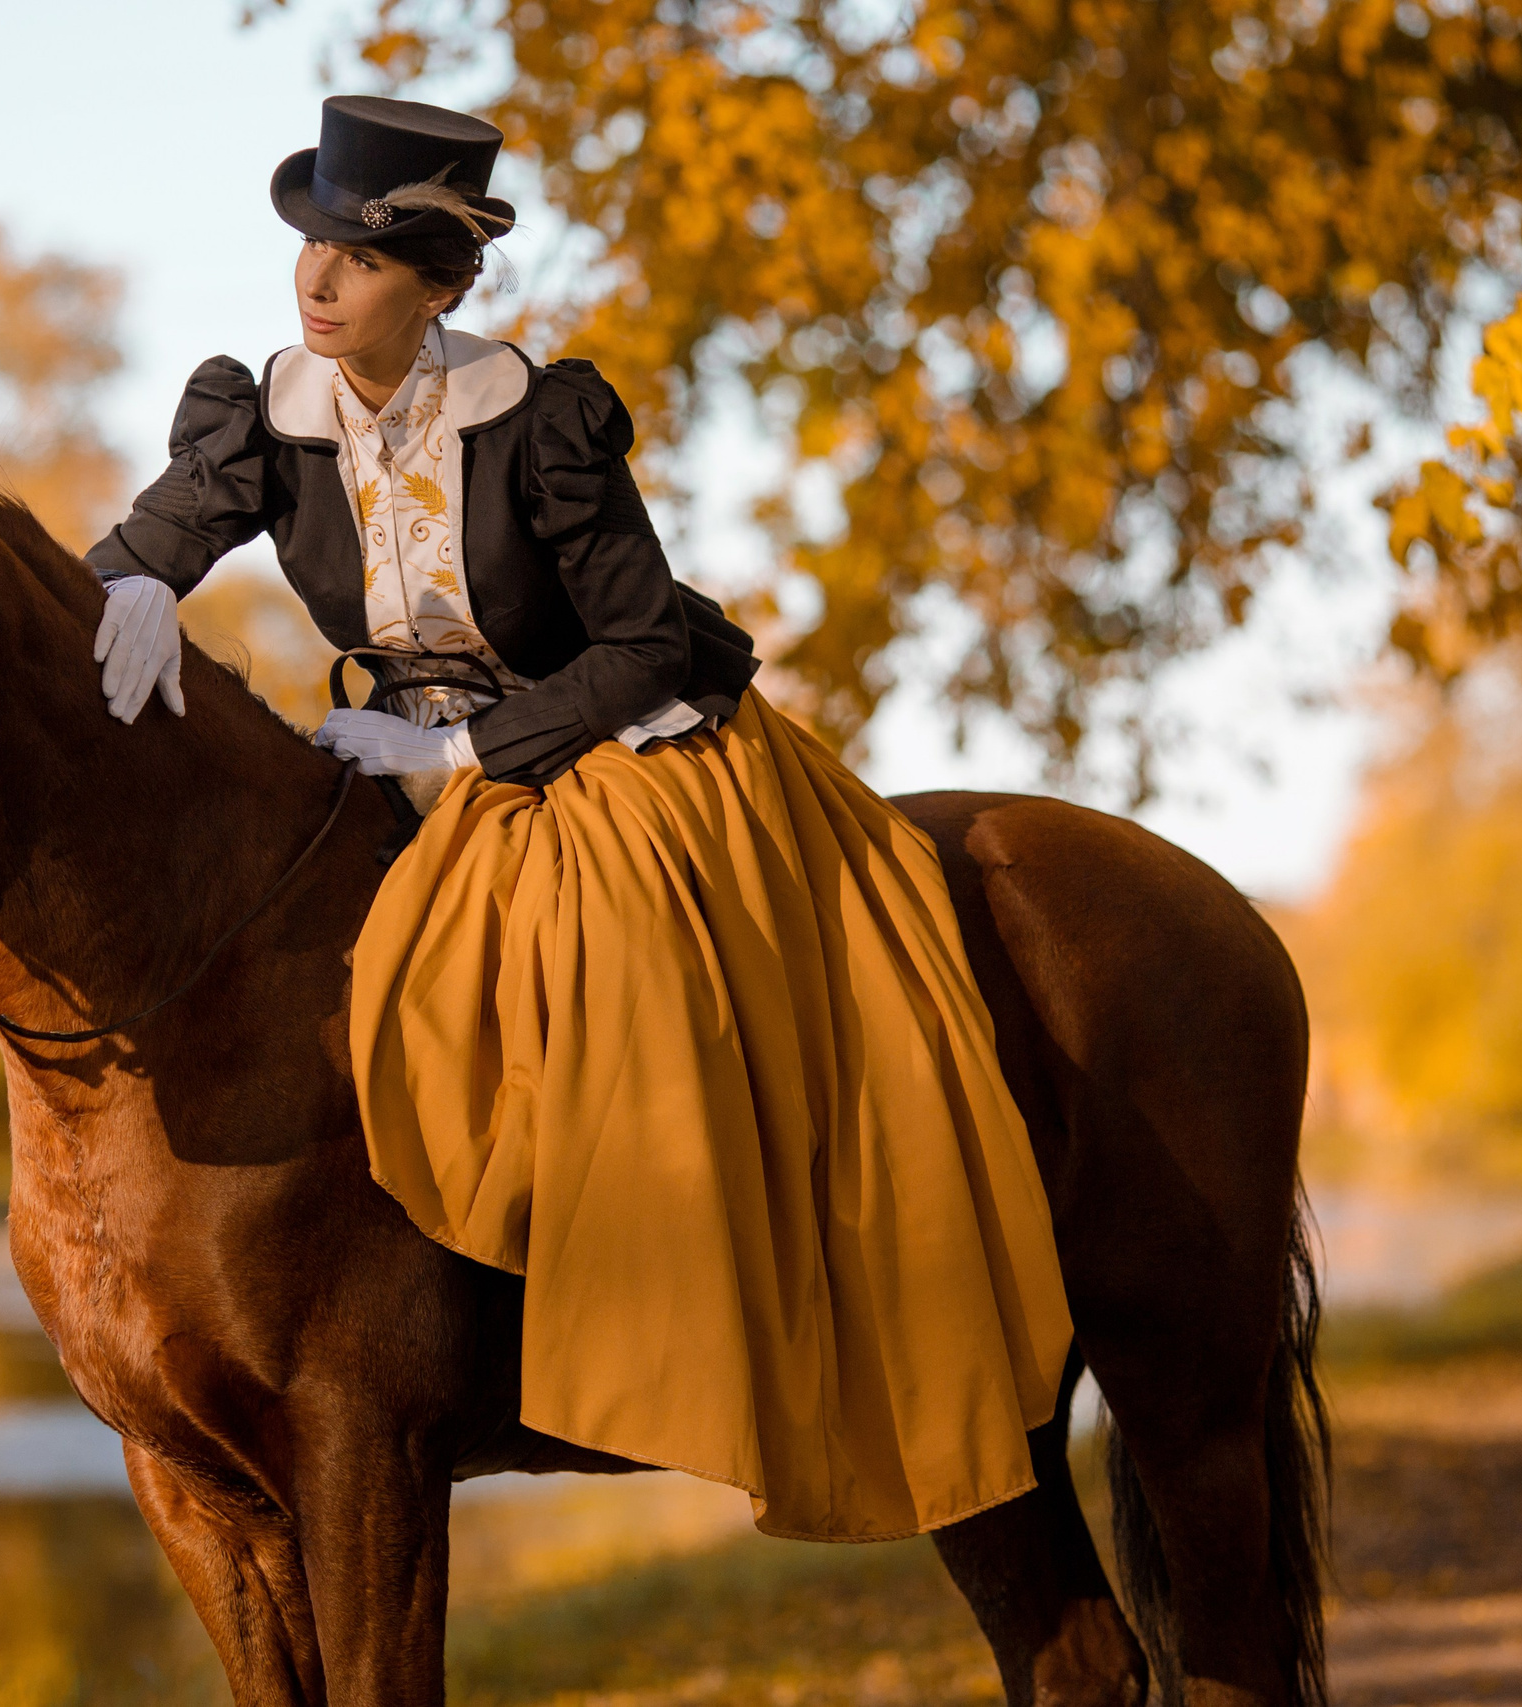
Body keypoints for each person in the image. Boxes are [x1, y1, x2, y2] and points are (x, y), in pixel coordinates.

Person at [85, 96, 1074, 1543]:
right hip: (399, 746)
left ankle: (656, 1285)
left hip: (600, 742)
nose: (317, 278)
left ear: (437, 288)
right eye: (309, 246)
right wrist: (123, 581)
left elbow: (643, 649)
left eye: (358, 260)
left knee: (620, 965)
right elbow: (163, 530)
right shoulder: (268, 417)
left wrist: (468, 752)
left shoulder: (537, 424)